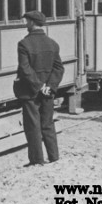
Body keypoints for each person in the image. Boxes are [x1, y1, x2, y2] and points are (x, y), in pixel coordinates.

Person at [14, 11, 65, 167]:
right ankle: (54, 156)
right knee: (48, 123)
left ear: (31, 22)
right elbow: (59, 68)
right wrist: (49, 86)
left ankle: (37, 159)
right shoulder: (52, 43)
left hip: (30, 92)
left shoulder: (24, 44)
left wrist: (38, 86)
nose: (25, 24)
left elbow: (25, 69)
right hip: (48, 92)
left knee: (33, 126)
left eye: (27, 21)